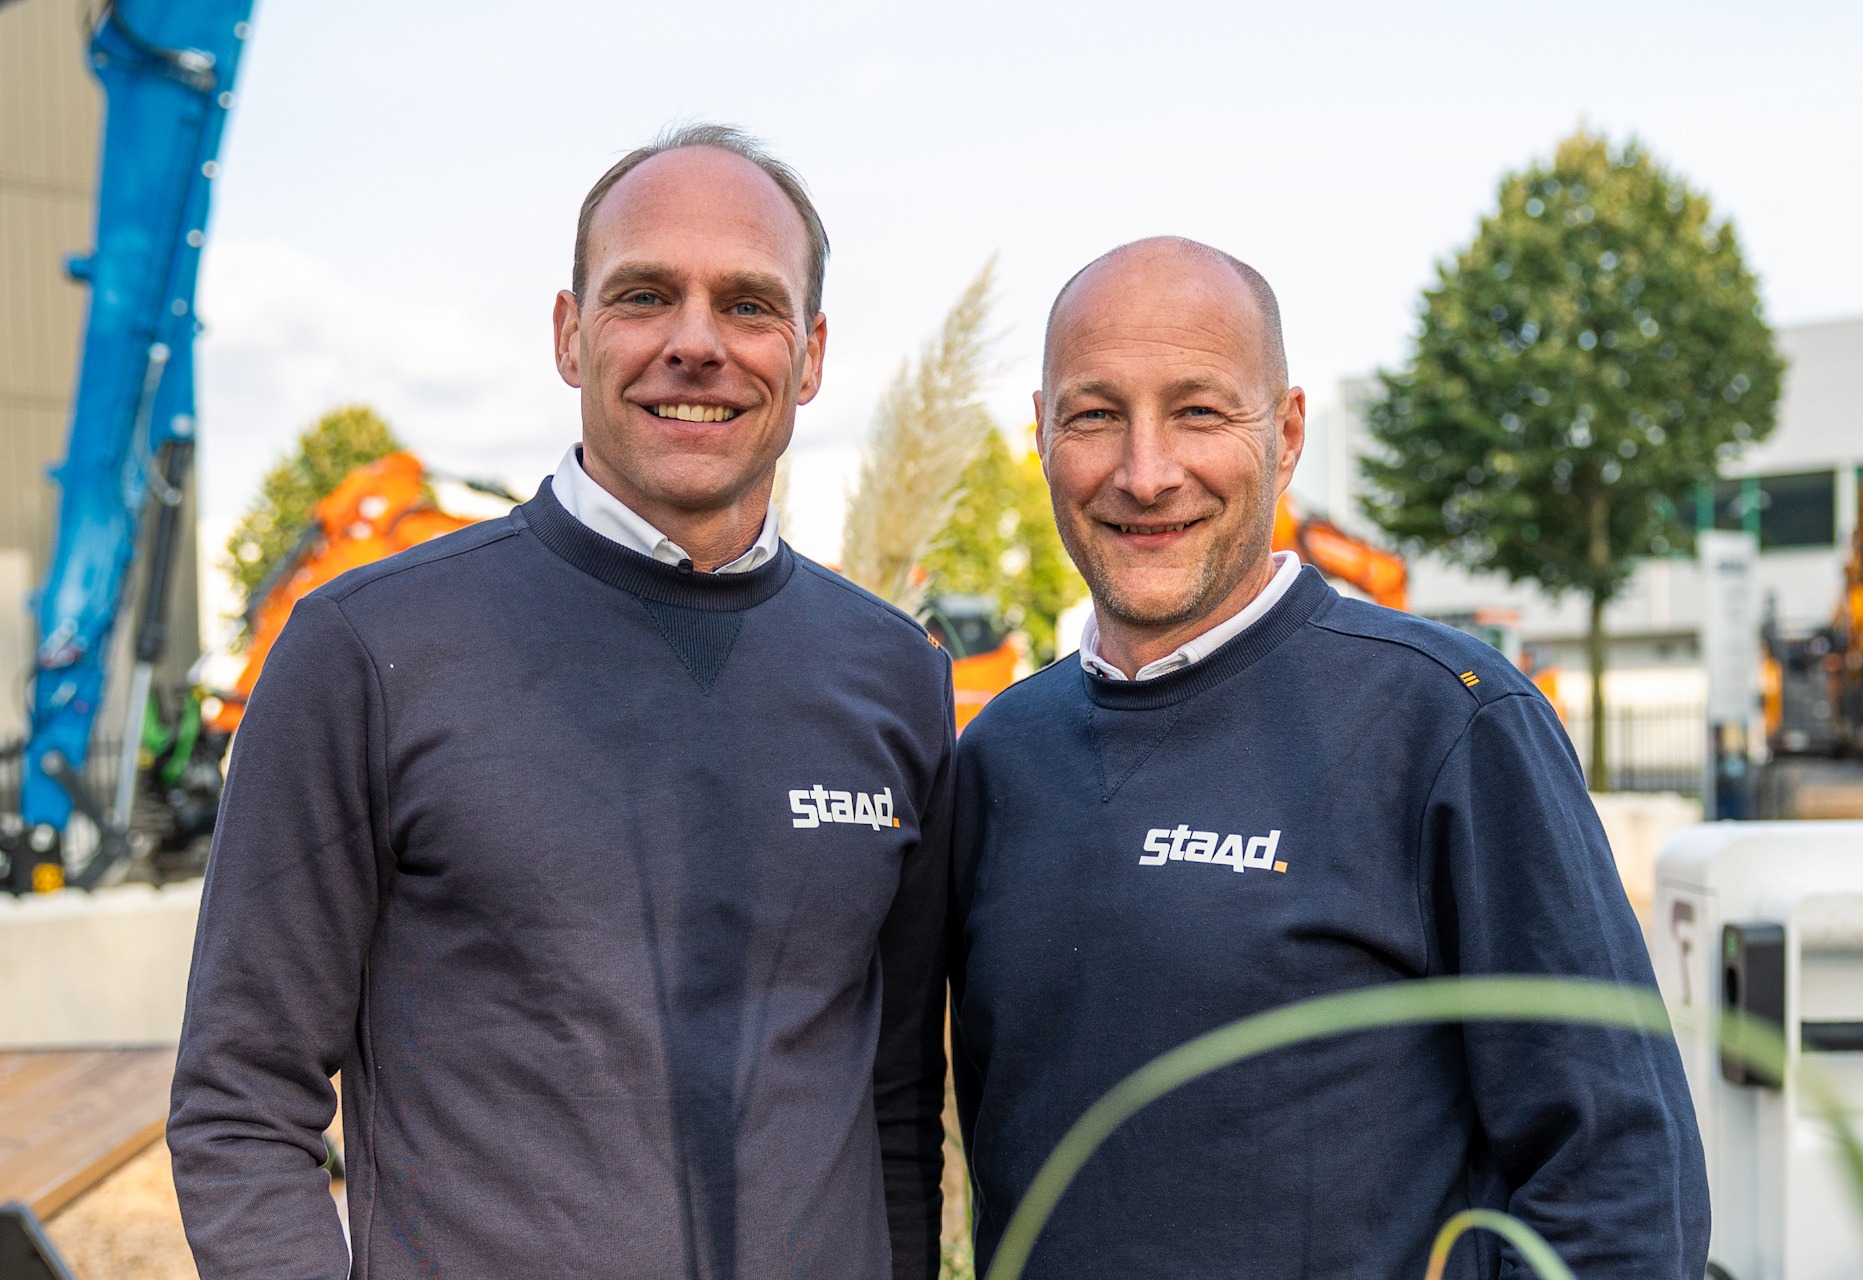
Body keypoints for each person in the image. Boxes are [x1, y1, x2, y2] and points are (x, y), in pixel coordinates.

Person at [170, 124, 952, 1280]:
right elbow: (239, 1101)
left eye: (747, 303)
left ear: (812, 353)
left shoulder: (893, 672)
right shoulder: (368, 651)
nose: (697, 343)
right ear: (568, 333)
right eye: (645, 295)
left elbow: (893, 1103)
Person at [949, 237, 1707, 1278]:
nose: (1146, 469)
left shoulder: (1447, 723)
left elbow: (1621, 1178)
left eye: (1200, 410)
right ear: (1040, 434)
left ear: (1289, 431)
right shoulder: (1000, 754)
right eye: (1094, 414)